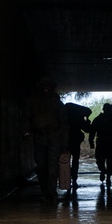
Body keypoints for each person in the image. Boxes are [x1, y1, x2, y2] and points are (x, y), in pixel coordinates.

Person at [25, 77, 68, 206]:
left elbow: (64, 124)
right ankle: (45, 193)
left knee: (52, 169)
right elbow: (27, 117)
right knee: (41, 167)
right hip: (39, 137)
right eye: (44, 86)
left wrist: (65, 145)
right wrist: (26, 132)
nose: (46, 88)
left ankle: (52, 194)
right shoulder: (33, 102)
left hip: (54, 137)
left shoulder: (57, 103)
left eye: (48, 86)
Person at [64, 102, 92, 193]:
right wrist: (88, 121)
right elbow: (87, 129)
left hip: (65, 142)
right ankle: (74, 180)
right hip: (75, 142)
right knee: (75, 161)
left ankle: (66, 180)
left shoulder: (63, 117)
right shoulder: (78, 118)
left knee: (65, 162)